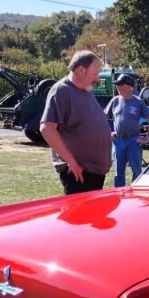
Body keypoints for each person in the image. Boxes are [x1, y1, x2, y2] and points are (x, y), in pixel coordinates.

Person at [40, 50, 112, 195]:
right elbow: (47, 129)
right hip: (78, 171)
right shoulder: (61, 91)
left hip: (93, 171)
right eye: (95, 73)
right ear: (81, 70)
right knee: (79, 217)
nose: (97, 79)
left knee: (92, 216)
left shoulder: (86, 91)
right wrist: (72, 162)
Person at [104, 73, 149, 187]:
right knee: (118, 173)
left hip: (134, 140)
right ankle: (119, 195)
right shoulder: (115, 101)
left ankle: (135, 194)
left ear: (128, 87)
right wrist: (108, 133)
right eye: (117, 85)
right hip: (118, 141)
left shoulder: (138, 102)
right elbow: (102, 118)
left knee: (137, 171)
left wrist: (147, 138)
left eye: (119, 85)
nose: (117, 87)